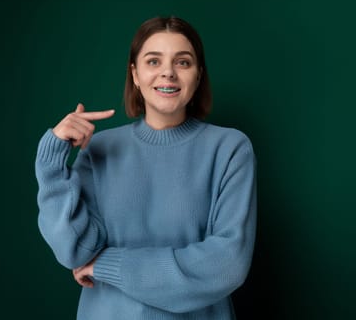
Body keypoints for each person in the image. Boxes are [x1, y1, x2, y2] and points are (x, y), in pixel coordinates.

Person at [35, 16, 257, 319]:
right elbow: (75, 251)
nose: (168, 72)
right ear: (135, 74)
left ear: (199, 75)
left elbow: (226, 266)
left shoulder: (230, 148)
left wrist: (106, 265)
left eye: (183, 62)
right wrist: (51, 161)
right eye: (153, 61)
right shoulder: (99, 150)